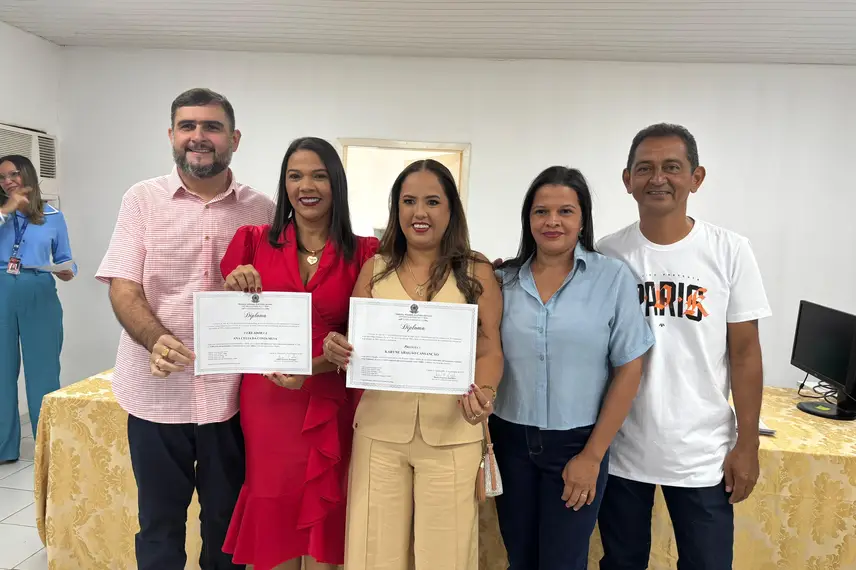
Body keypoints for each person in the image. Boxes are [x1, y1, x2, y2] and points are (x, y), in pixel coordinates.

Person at [96, 88, 274, 570]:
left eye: (212, 126)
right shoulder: (141, 199)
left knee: (226, 529)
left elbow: (279, 297)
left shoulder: (263, 209)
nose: (199, 136)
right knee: (159, 527)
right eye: (188, 126)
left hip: (232, 398)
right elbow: (124, 286)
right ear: (171, 135)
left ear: (234, 138)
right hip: (156, 394)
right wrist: (155, 340)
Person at [597, 123, 771, 570]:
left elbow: (745, 354)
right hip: (622, 450)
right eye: (645, 168)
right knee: (621, 562)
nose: (658, 178)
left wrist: (748, 444)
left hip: (703, 454)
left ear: (696, 177)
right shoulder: (607, 253)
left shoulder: (730, 251)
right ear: (627, 180)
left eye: (672, 167)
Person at [323, 159, 504, 570]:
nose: (419, 213)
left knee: (445, 557)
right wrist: (337, 347)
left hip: (453, 431)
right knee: (374, 554)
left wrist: (486, 392)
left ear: (451, 209)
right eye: (408, 201)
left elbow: (490, 348)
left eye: (432, 202)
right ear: (396, 209)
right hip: (380, 433)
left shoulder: (476, 271)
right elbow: (355, 343)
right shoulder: (375, 269)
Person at [219, 137, 379, 570]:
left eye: (319, 175)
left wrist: (316, 365)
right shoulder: (251, 242)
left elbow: (370, 333)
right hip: (270, 399)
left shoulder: (366, 252)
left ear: (336, 184)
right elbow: (230, 324)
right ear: (284, 184)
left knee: (327, 509)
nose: (306, 185)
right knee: (273, 505)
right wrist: (235, 284)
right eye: (295, 176)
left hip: (332, 395)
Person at [492, 166, 654, 570]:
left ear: (582, 220)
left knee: (563, 562)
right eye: (541, 211)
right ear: (528, 219)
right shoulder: (502, 281)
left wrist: (592, 456)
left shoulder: (612, 278)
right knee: (519, 559)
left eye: (565, 211)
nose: (552, 221)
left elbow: (629, 369)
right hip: (509, 441)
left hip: (576, 445)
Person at [0, 154, 76, 462]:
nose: (8, 181)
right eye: (2, 177)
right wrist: (6, 210)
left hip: (40, 290)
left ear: (28, 175)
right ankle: (4, 448)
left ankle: (48, 450)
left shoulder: (53, 216)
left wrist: (68, 270)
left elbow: (65, 257)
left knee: (44, 372)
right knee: (2, 372)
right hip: (1, 289)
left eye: (13, 174)